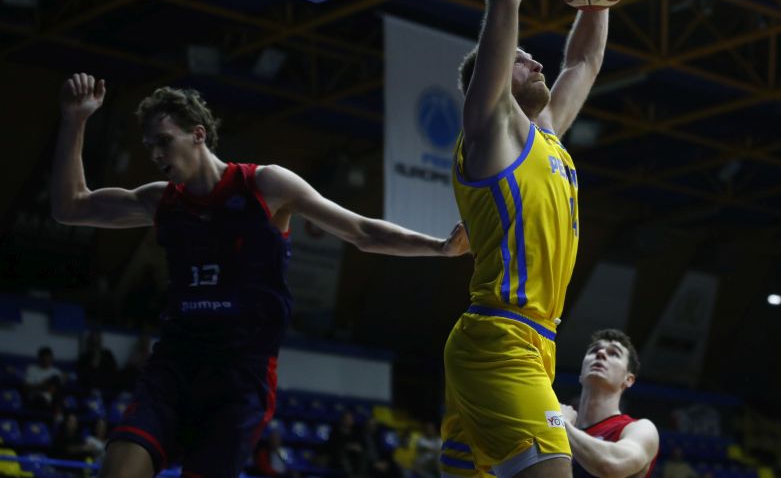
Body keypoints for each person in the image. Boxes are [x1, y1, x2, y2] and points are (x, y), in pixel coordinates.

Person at [51, 74, 469, 478]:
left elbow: (359, 231)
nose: (157, 155)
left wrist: (438, 246)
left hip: (240, 377)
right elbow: (71, 207)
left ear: (198, 134)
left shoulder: (264, 185)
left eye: (164, 141)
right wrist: (75, 119)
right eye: (149, 147)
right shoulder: (161, 201)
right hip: (174, 368)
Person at [440, 0, 610, 478]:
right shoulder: (490, 128)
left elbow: (582, 63)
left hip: (532, 342)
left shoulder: (548, 136)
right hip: (501, 341)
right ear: (489, 80)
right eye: (522, 58)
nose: (536, 62)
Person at [559, 330, 659, 478]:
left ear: (628, 379)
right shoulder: (559, 421)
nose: (600, 353)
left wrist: (561, 423)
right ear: (581, 374)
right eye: (593, 351)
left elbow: (611, 466)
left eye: (614, 353)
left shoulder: (641, 428)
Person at [22, 346, 65, 411]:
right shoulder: (32, 369)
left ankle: (57, 411)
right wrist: (41, 386)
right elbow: (26, 387)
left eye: (49, 358)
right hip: (36, 397)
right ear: (40, 358)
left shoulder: (56, 371)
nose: (47, 360)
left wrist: (48, 385)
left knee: (56, 379)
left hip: (52, 398)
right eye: (44, 358)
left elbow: (60, 388)